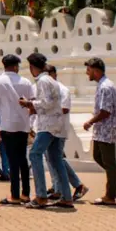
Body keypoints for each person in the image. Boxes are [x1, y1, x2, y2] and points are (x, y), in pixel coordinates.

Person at [22, 52, 74, 209]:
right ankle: (66, 197)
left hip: (48, 125)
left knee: (34, 154)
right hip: (56, 124)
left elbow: (47, 103)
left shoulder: (43, 81)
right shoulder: (51, 80)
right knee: (56, 159)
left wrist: (29, 104)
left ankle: (41, 196)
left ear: (32, 67)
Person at [0, 54, 34, 205]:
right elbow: (32, 104)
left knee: (12, 160)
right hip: (23, 125)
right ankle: (25, 194)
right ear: (16, 66)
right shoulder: (26, 82)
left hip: (7, 126)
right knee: (22, 159)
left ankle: (14, 195)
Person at [83, 56, 116, 205]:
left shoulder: (105, 87)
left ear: (96, 71)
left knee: (109, 162)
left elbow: (105, 111)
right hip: (102, 130)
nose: (86, 73)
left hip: (107, 130)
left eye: (88, 70)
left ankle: (110, 196)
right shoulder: (103, 85)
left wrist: (90, 122)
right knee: (98, 157)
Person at [47, 64, 87, 201]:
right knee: (52, 158)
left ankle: (77, 185)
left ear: (54, 75)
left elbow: (64, 108)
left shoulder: (62, 90)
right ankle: (59, 188)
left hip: (58, 129)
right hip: (48, 129)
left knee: (56, 158)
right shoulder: (47, 90)